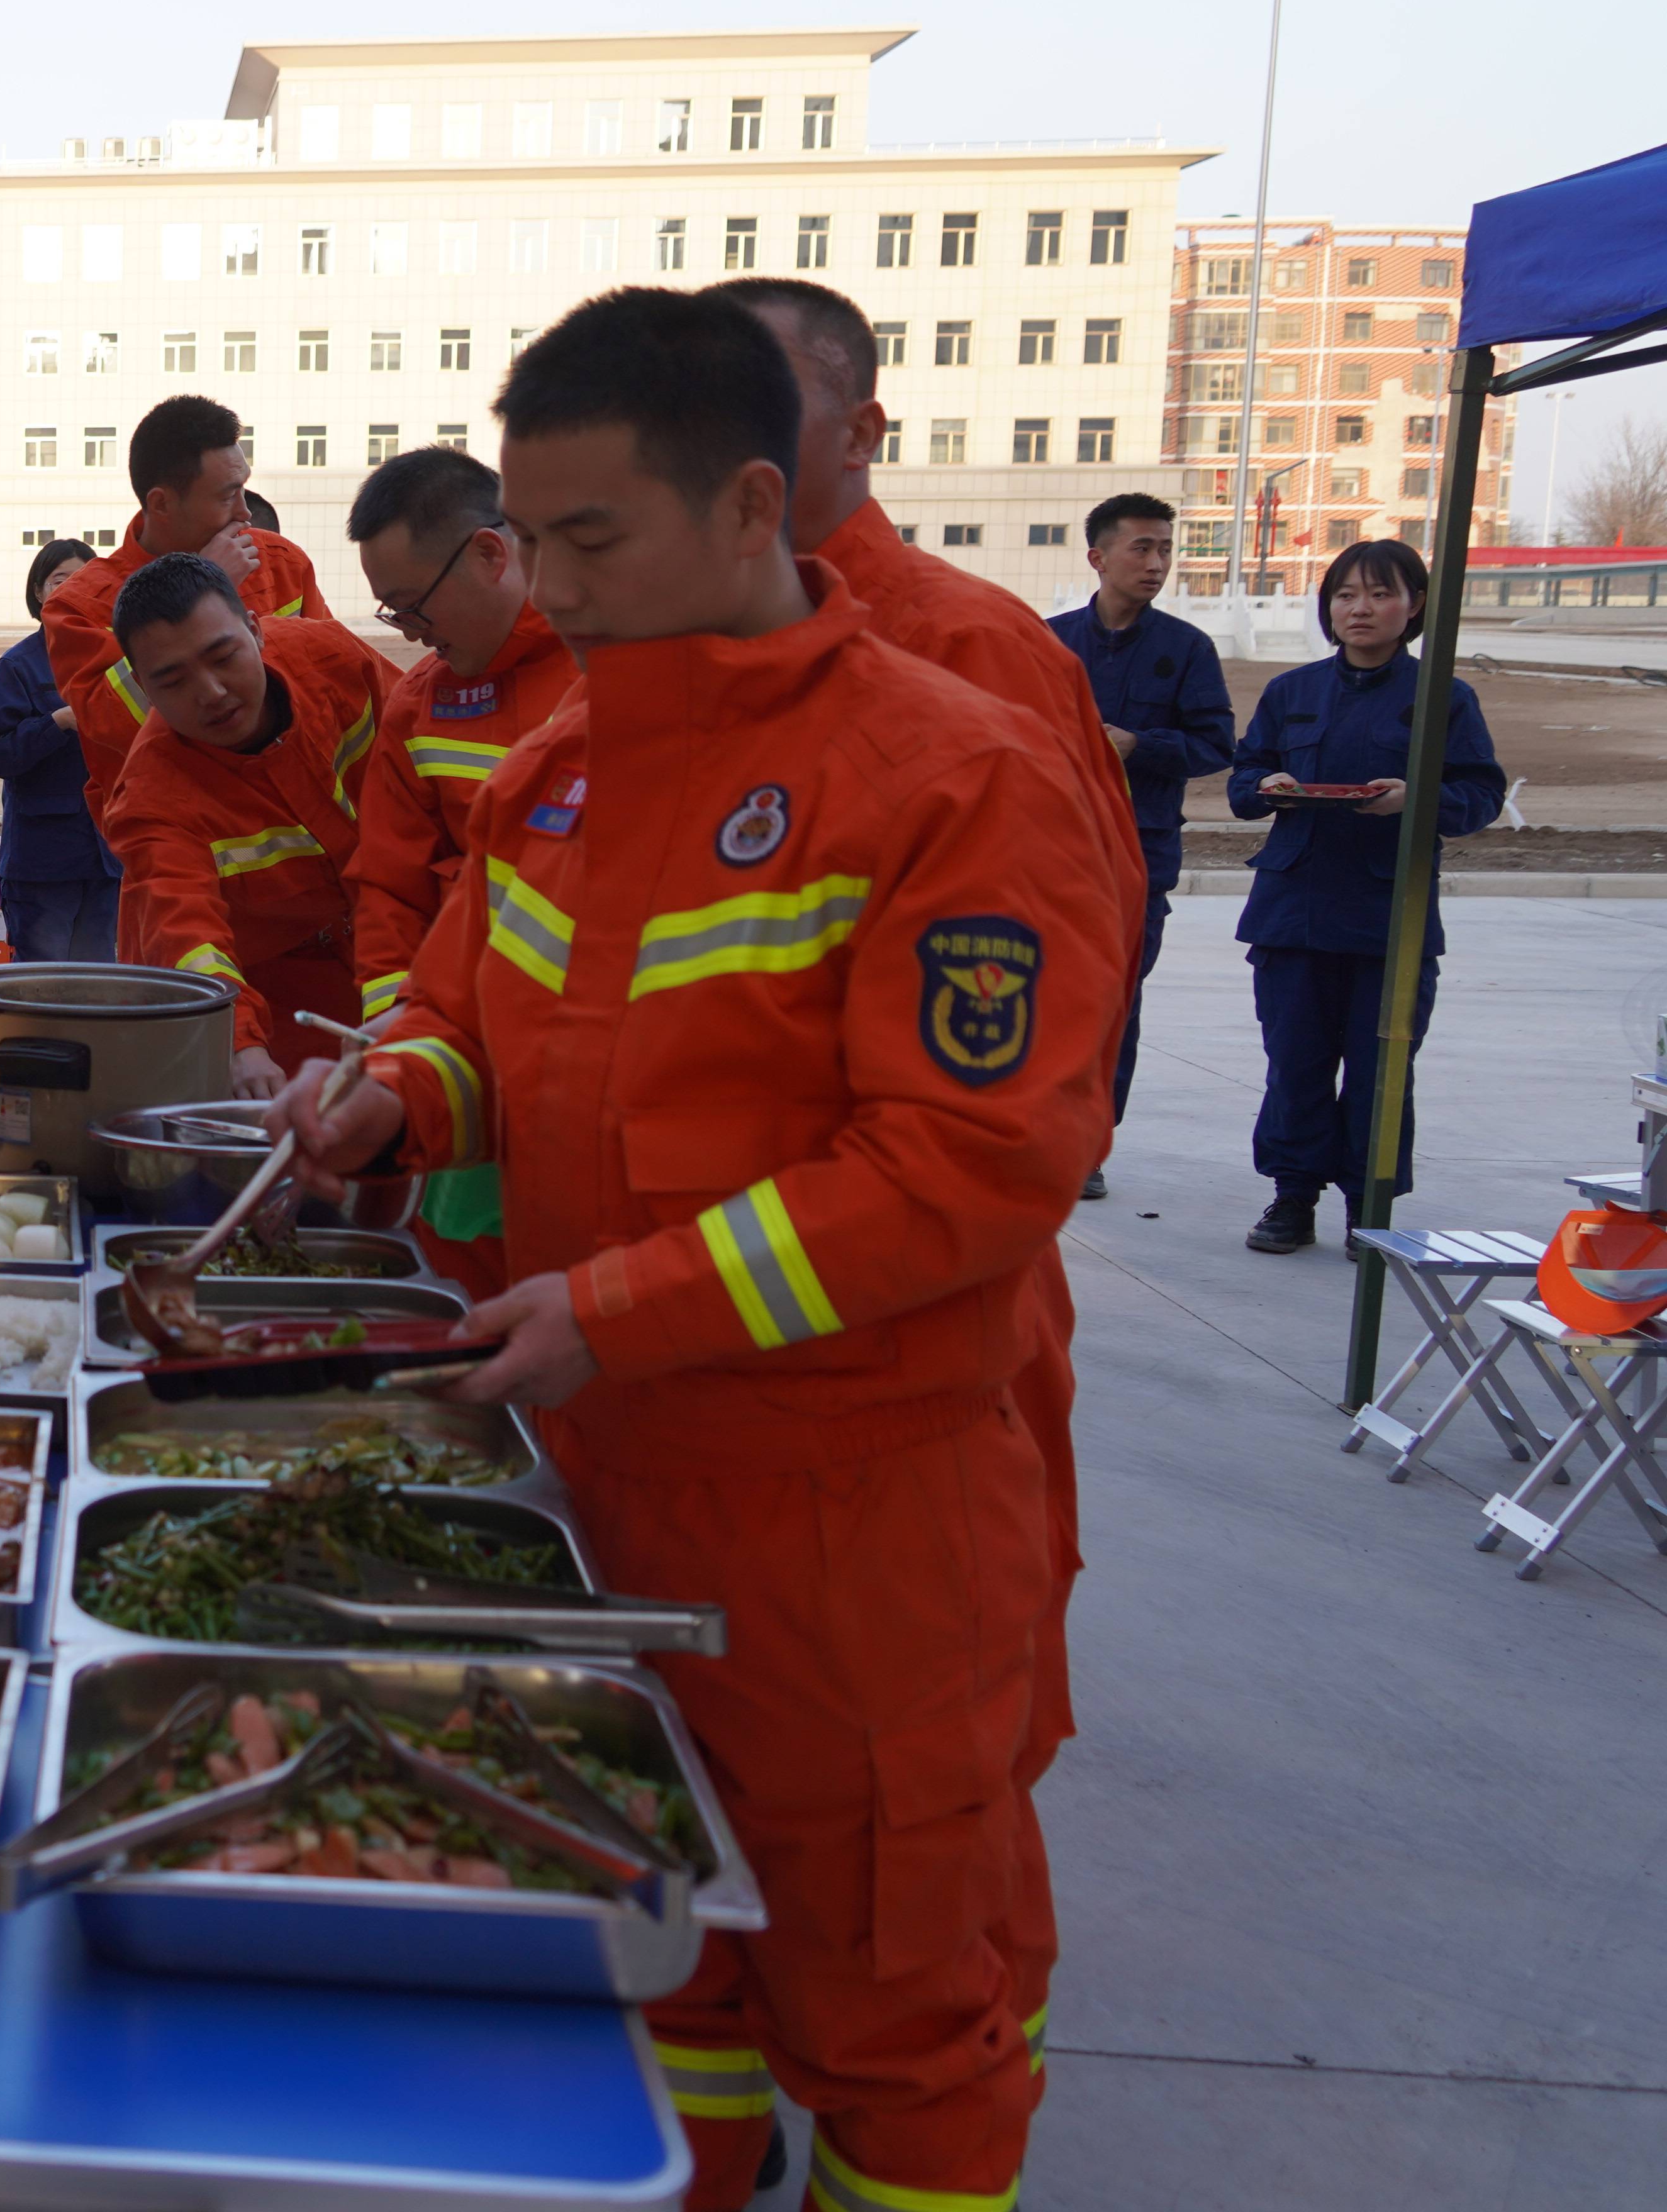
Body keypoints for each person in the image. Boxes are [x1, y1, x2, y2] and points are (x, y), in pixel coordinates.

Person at [269, 286, 1122, 2212]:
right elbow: (465, 1004)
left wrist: (617, 1305)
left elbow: (968, 1164)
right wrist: (390, 1093)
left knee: (896, 2017)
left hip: (852, 1531)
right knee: (662, 1968)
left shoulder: (945, 772)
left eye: (590, 540)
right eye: (527, 540)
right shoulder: (567, 762)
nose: (546, 587)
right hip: (598, 1485)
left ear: (749, 505)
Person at [715, 274, 1130, 2061]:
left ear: (864, 432)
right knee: (711, 1915)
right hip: (686, 1396)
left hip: (885, 1388)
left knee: (914, 1920)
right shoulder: (661, 673)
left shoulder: (968, 668)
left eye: (766, 416)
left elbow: (1018, 1105)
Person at [342, 445, 580, 1301]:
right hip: (459, 1071)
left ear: (490, 553)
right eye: (390, 611)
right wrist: (389, 1038)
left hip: (585, 1088)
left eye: (411, 605)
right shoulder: (420, 702)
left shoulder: (605, 675)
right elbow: (389, 891)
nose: (407, 632)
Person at [1229, 537, 1505, 1253]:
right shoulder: (1293, 692)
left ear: (1413, 606)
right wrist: (1267, 787)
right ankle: (1292, 1197)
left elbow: (1480, 795)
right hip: (1294, 912)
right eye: (1346, 594)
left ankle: (1368, 1206)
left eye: (1380, 594)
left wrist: (1417, 801)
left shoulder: (1443, 696)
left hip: (1392, 921)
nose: (1361, 608)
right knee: (1295, 1064)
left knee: (1383, 1072)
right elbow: (1244, 776)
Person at [107, 550, 403, 1096]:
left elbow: (430, 772)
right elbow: (187, 937)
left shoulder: (334, 660)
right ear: (144, 689)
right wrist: (241, 1045)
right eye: (173, 681)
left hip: (393, 949)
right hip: (269, 1000)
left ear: (255, 628)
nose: (212, 692)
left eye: (223, 656)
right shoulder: (152, 799)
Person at [37, 395, 334, 921]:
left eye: (243, 488)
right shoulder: (80, 607)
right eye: (228, 496)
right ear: (162, 504)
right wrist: (201, 589)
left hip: (315, 859)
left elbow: (330, 689)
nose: (245, 511)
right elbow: (110, 722)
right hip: (189, 870)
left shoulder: (281, 563)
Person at [1047, 492, 1236, 1172]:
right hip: (1049, 855)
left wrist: (1141, 744)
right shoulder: (1049, 642)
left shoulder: (1186, 650)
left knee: (1113, 1000)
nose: (1157, 563)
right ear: (1098, 557)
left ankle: (1090, 1143)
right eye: (1142, 548)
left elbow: (1217, 744)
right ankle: (1032, 1130)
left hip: (1137, 856)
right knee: (1041, 995)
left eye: (1165, 549)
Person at [0, 538, 121, 960]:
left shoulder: (120, 661)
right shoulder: (18, 666)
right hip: (44, 861)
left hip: (108, 856)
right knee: (42, 985)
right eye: (60, 581)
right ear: (39, 592)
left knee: (99, 986)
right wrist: (57, 723)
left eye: (84, 580)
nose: (73, 589)